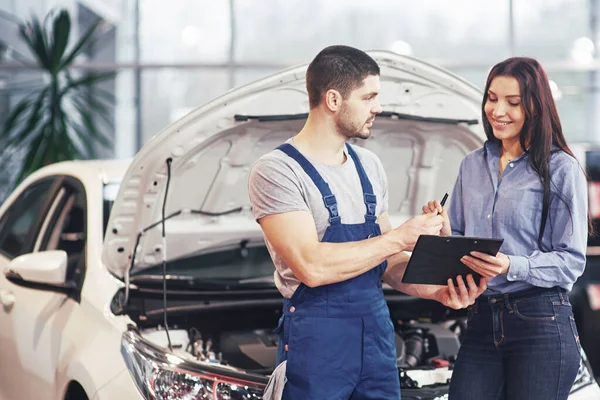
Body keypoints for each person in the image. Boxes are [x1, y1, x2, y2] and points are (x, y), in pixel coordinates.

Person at [248, 45, 488, 400]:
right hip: (318, 348)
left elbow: (387, 264)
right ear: (333, 99)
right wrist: (401, 237)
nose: (377, 107)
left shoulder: (369, 166)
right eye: (369, 96)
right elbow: (310, 266)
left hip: (376, 340)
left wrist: (436, 289)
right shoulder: (277, 171)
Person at [423, 57, 590, 400]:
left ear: (535, 106)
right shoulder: (471, 165)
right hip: (482, 318)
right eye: (492, 98)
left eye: (512, 102)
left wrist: (512, 264)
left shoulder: (560, 168)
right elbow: (460, 242)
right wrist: (442, 234)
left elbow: (571, 260)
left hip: (541, 321)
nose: (497, 110)